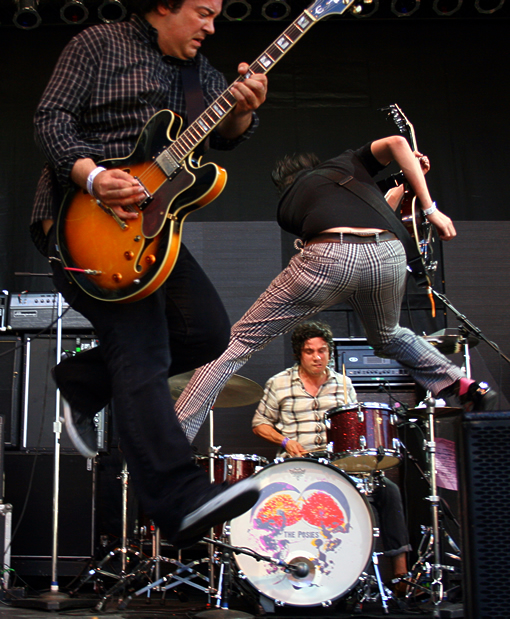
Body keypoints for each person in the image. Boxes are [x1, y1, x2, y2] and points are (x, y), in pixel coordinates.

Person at [30, 0, 268, 547]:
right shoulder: (98, 43)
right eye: (203, 12)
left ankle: (83, 380)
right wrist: (93, 178)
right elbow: (50, 118)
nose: (211, 27)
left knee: (207, 333)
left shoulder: (201, 74)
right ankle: (178, 499)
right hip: (80, 216)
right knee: (143, 343)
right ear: (164, 6)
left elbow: (227, 136)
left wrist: (241, 111)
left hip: (153, 231)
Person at [175, 134, 497, 442]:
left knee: (240, 342)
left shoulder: (288, 204)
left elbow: (340, 224)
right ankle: (461, 383)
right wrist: (425, 201)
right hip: (387, 253)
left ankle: (174, 440)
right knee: (389, 336)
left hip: (328, 257)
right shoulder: (347, 164)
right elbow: (396, 154)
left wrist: (410, 187)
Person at [251, 321, 411, 580]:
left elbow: (355, 425)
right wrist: (285, 442)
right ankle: (351, 578)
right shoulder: (278, 383)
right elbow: (259, 424)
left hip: (338, 462)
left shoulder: (344, 384)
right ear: (298, 354)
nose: (317, 357)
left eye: (322, 351)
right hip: (298, 464)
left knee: (388, 491)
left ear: (329, 352)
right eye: (309, 351)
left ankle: (401, 572)